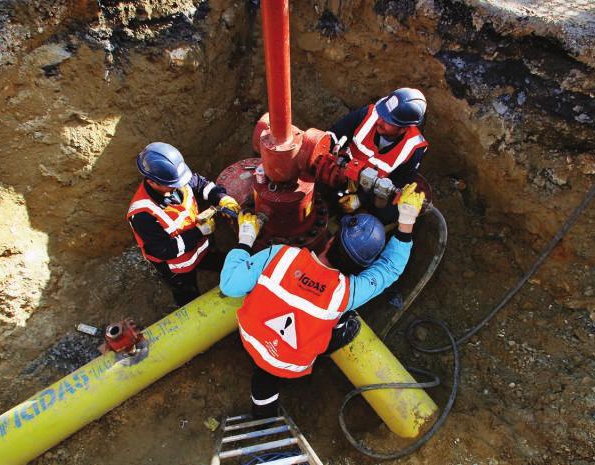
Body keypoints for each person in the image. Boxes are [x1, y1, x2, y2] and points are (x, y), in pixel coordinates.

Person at [219, 183, 426, 418]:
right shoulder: (347, 293)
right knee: (350, 323)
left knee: (264, 374)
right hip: (291, 363)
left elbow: (230, 285)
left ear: (330, 241)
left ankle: (263, 414)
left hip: (249, 336)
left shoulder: (282, 255)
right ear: (363, 268)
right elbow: (389, 268)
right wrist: (407, 221)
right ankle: (271, 402)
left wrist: (246, 237)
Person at [127, 142, 240, 307]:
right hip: (178, 269)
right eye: (174, 184)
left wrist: (222, 198)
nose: (180, 185)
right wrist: (199, 231)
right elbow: (164, 250)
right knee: (188, 297)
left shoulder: (176, 180)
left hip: (202, 248)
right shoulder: (142, 214)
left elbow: (201, 184)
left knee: (219, 261)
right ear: (152, 182)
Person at [327, 88, 429, 224]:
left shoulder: (414, 148)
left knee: (391, 213)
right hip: (342, 170)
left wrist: (360, 200)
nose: (379, 121)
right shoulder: (367, 115)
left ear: (404, 128)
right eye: (381, 115)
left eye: (388, 121)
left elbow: (399, 183)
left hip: (372, 190)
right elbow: (334, 134)